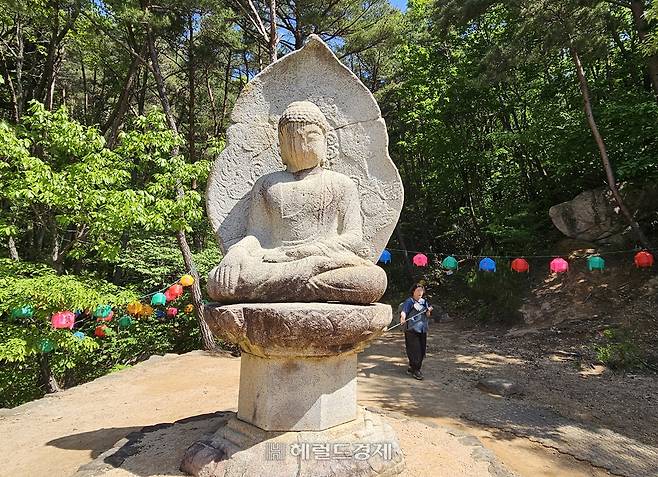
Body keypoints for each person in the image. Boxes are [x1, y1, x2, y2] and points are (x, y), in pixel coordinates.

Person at [400, 283, 433, 380]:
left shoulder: (424, 302)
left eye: (421, 291)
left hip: (422, 328)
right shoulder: (409, 301)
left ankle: (412, 367)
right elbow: (404, 311)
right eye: (418, 290)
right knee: (415, 350)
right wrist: (403, 317)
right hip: (412, 329)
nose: (420, 292)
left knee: (422, 350)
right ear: (413, 291)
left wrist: (428, 311)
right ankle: (416, 370)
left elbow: (427, 315)